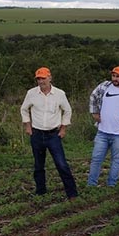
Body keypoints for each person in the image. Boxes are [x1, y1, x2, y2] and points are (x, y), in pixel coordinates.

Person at [20, 67, 78, 200]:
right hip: (37, 134)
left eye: (43, 78)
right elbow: (24, 109)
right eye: (38, 79)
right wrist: (27, 126)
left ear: (50, 78)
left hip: (53, 135)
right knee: (38, 165)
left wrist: (63, 128)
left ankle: (72, 193)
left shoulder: (59, 94)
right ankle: (41, 191)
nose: (41, 81)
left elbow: (67, 110)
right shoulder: (31, 93)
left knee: (61, 164)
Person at [87, 66, 119, 187]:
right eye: (113, 75)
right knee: (96, 159)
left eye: (118, 76)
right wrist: (95, 113)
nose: (115, 78)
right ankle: (91, 185)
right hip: (102, 131)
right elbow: (93, 97)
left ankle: (111, 185)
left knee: (116, 160)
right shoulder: (104, 86)